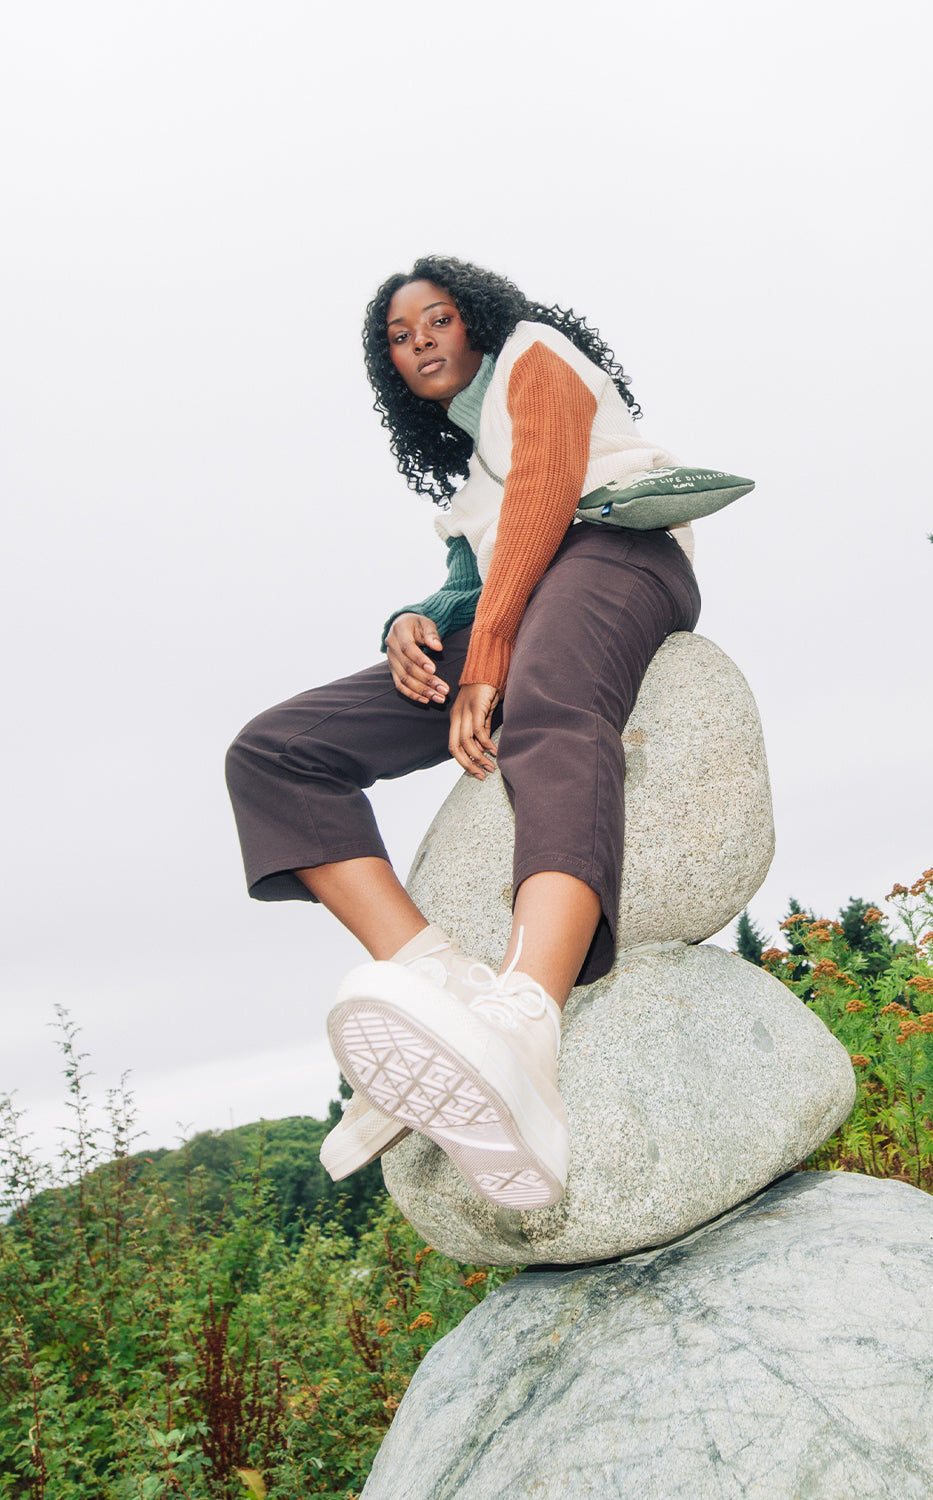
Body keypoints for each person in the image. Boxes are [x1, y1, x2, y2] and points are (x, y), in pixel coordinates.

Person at [225, 256, 701, 1213]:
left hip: (619, 551)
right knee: (274, 753)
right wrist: (410, 625)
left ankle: (524, 1022)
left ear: (476, 319)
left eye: (437, 320)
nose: (421, 343)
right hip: (514, 606)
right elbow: (469, 576)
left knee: (551, 701)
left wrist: (486, 658)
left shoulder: (536, 353)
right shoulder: (468, 470)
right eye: (400, 339)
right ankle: (440, 986)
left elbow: (548, 493)